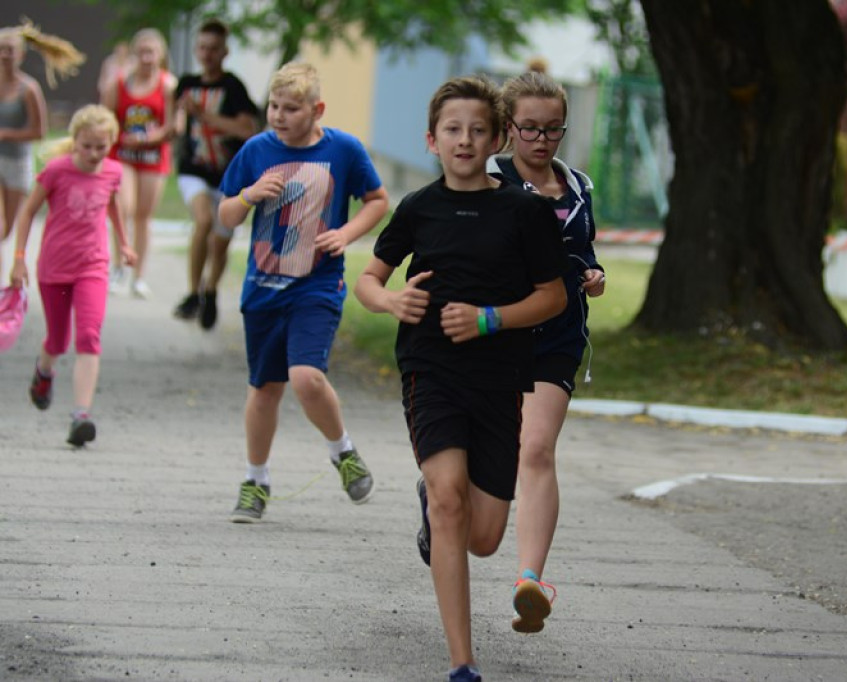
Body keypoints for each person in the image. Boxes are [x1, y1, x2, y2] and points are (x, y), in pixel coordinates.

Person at [354, 75, 567, 682]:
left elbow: (551, 298)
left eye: (477, 130)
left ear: (497, 138)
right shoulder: (418, 208)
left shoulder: (525, 212)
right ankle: (462, 663)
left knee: (484, 538)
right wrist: (390, 302)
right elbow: (368, 279)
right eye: (453, 129)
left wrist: (489, 318)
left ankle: (433, 501)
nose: (465, 140)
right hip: (431, 369)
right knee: (451, 503)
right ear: (431, 140)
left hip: (499, 378)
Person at [217, 62, 388, 522]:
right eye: (274, 106)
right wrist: (249, 195)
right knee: (265, 388)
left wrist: (346, 234)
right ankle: (256, 481)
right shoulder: (255, 151)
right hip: (263, 288)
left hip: (317, 283)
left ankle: (342, 451)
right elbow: (226, 216)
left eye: (291, 108)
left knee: (306, 377)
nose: (279, 115)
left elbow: (377, 201)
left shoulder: (344, 150)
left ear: (318, 110)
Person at [487, 70, 606, 635]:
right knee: (481, 459)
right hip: (496, 333)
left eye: (553, 129)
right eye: (530, 128)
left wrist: (593, 274)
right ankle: (436, 497)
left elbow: (583, 250)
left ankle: (528, 582)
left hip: (558, 335)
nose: (541, 140)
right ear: (509, 127)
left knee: (535, 449)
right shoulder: (489, 179)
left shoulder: (579, 184)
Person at [8, 104, 136, 446]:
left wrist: (124, 244)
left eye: (101, 147)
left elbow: (114, 205)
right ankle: (43, 372)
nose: (94, 154)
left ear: (110, 143)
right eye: (87, 146)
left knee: (89, 336)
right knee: (57, 340)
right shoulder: (56, 171)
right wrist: (18, 259)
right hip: (54, 268)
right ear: (74, 141)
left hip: (92, 266)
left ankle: (81, 415)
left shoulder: (112, 172)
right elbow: (27, 213)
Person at [172, 19, 259, 329]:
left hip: (228, 175)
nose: (207, 54)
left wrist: (204, 115)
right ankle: (193, 292)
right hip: (193, 168)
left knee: (220, 242)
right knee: (203, 221)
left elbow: (247, 129)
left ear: (225, 52)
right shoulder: (185, 84)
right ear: (196, 50)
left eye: (213, 49)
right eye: (202, 48)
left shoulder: (232, 87)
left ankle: (210, 291)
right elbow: (174, 124)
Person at [0, 20, 84, 280]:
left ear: (21, 55)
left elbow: (39, 132)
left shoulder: (29, 89)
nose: (4, 55)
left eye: (9, 50)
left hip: (17, 163)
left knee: (5, 230)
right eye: (0, 49)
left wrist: (5, 134)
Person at [100, 28, 177, 299]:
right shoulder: (119, 84)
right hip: (123, 155)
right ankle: (119, 267)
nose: (147, 58)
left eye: (151, 52)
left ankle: (139, 276)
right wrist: (120, 138)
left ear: (160, 55)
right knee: (123, 208)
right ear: (134, 54)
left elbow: (174, 126)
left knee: (144, 217)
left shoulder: (168, 86)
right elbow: (105, 119)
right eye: (142, 52)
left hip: (153, 157)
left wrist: (148, 138)